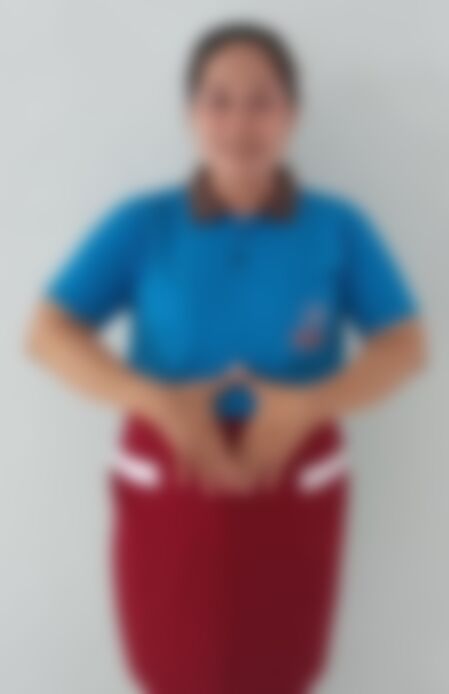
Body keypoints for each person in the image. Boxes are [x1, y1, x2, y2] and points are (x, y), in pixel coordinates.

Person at [27, 22, 425, 694]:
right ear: (191, 113)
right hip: (171, 473)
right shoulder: (144, 224)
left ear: (291, 114)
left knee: (280, 664)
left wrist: (313, 402)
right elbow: (49, 333)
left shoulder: (337, 227)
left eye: (261, 100)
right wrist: (156, 401)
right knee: (173, 665)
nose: (240, 122)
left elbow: (403, 345)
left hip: (292, 475)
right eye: (219, 100)